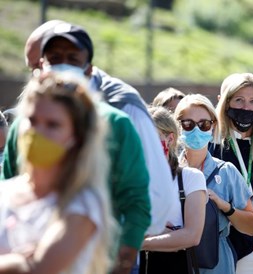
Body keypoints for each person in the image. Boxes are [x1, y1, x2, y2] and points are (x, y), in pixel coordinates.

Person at [3, 20, 167, 274]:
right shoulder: (21, 124)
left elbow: (137, 202)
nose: (63, 65)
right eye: (54, 57)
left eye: (72, 57)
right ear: (40, 66)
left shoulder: (115, 123)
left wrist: (122, 262)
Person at [0, 73, 116, 273]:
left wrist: (23, 265)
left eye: (53, 125)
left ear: (77, 137)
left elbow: (38, 269)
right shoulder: (6, 191)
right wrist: (17, 260)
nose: (37, 132)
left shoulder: (82, 202)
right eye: (32, 120)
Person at [175, 94, 253, 274]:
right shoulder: (169, 171)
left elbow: (251, 227)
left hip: (215, 260)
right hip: (175, 257)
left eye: (203, 124)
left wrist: (223, 205)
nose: (196, 130)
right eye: (188, 124)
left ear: (212, 127)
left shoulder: (226, 171)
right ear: (178, 127)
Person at [209, 72, 253, 274]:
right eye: (239, 100)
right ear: (226, 103)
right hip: (215, 252)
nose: (246, 108)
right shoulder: (211, 146)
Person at [141, 106, 207, 274]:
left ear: (170, 139)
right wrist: (163, 232)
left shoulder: (190, 178)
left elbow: (192, 236)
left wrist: (140, 241)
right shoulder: (128, 179)